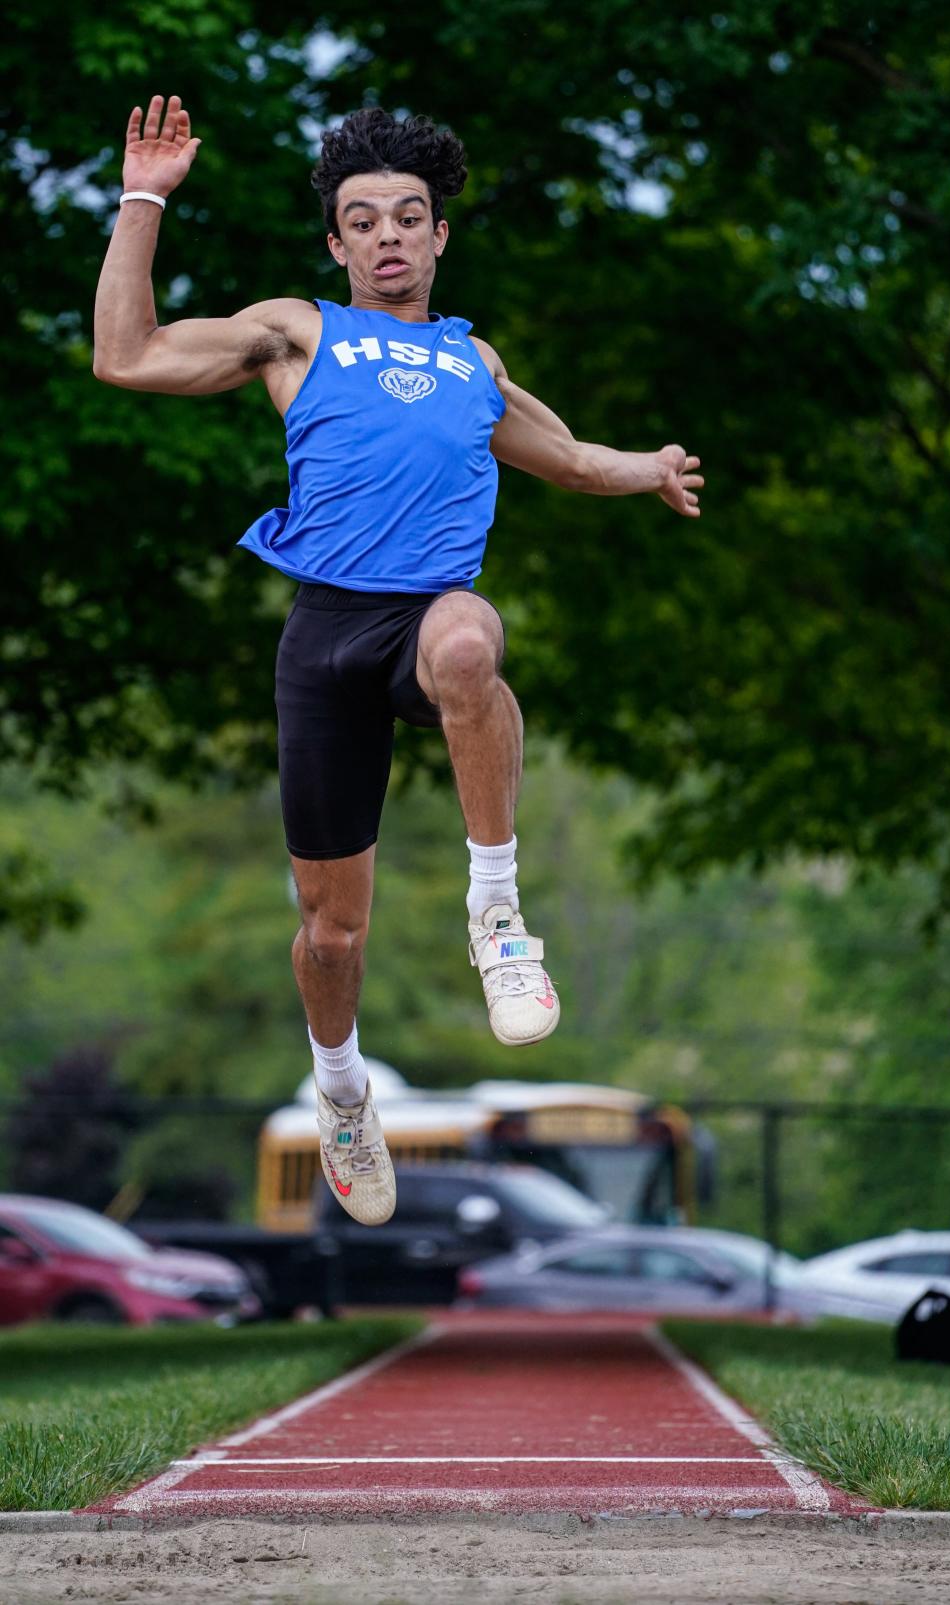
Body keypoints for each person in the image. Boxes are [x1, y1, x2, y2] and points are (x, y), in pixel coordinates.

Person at [93, 96, 703, 1229]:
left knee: (472, 636)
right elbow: (124, 357)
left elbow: (566, 456)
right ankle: (341, 1094)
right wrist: (143, 202)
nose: (386, 235)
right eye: (363, 219)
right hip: (326, 635)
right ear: (337, 242)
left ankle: (498, 919)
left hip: (425, 618)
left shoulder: (473, 360)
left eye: (407, 218)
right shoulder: (298, 330)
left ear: (438, 236)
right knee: (333, 932)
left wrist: (651, 466)